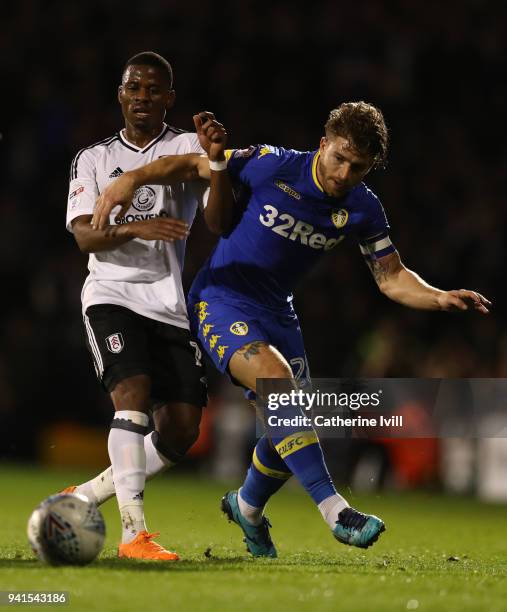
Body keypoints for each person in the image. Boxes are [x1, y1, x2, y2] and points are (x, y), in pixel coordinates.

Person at [92, 101, 491, 558]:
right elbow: (192, 164)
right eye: (339, 157)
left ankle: (247, 507)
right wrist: (129, 179)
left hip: (278, 314)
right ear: (323, 144)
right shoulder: (272, 165)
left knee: (291, 425)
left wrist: (438, 296)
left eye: (358, 167)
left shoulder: (363, 208)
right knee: (279, 388)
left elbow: (391, 276)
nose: (344, 173)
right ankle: (335, 509)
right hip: (221, 298)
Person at [65, 51, 230, 560]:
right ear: (120, 95)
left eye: (154, 90)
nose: (143, 97)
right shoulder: (91, 159)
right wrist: (138, 227)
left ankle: (87, 495)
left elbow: (219, 222)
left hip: (167, 303)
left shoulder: (185, 146)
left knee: (181, 430)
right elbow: (86, 239)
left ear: (169, 99)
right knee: (131, 395)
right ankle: (133, 534)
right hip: (112, 294)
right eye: (134, 88)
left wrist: (219, 161)